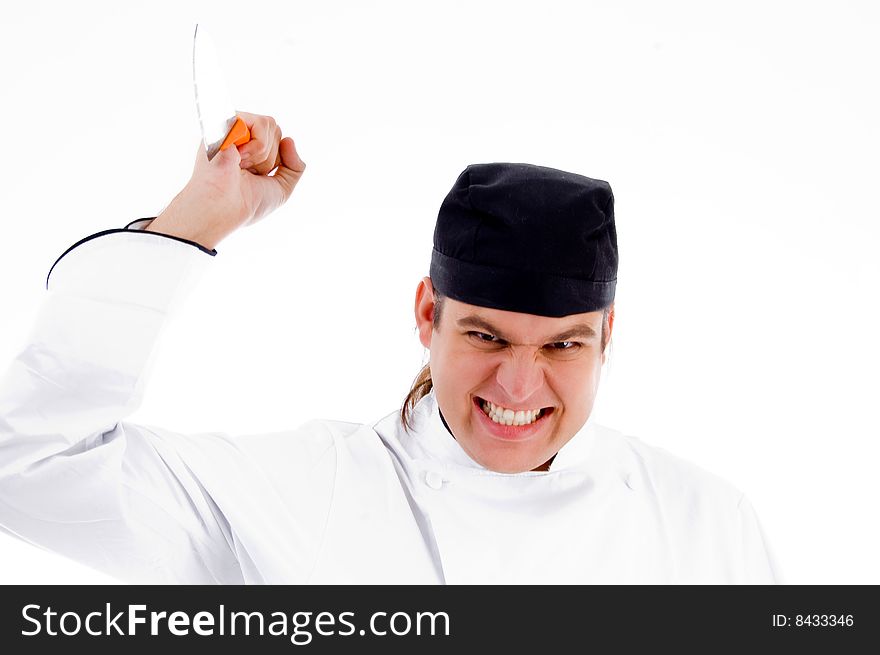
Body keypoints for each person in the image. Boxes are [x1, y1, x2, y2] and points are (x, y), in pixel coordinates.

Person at [0, 112, 779, 584]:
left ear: (607, 337)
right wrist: (192, 224)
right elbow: (23, 466)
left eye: (562, 345)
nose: (517, 384)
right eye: (485, 334)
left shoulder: (705, 524)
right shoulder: (304, 491)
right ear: (426, 313)